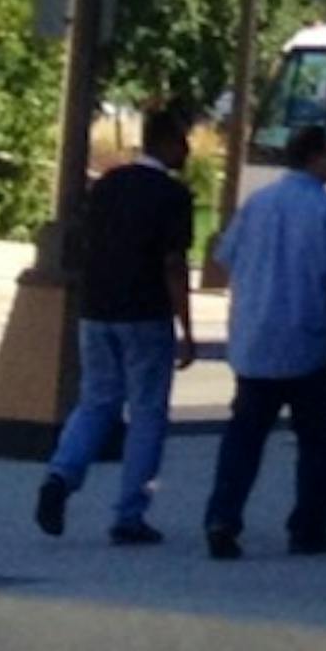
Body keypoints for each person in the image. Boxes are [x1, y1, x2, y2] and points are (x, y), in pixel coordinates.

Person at [35, 104, 198, 546]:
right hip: (145, 312)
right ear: (167, 143)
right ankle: (130, 513)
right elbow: (173, 265)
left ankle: (60, 475)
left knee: (96, 402)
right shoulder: (172, 196)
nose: (187, 151)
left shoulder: (107, 185)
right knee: (147, 414)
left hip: (97, 308)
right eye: (183, 142)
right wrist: (186, 328)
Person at [203, 122, 326, 561]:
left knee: (244, 436)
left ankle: (222, 519)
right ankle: (309, 527)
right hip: (311, 339)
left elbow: (224, 259)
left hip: (256, 336)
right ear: (315, 156)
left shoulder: (257, 204)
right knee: (316, 441)